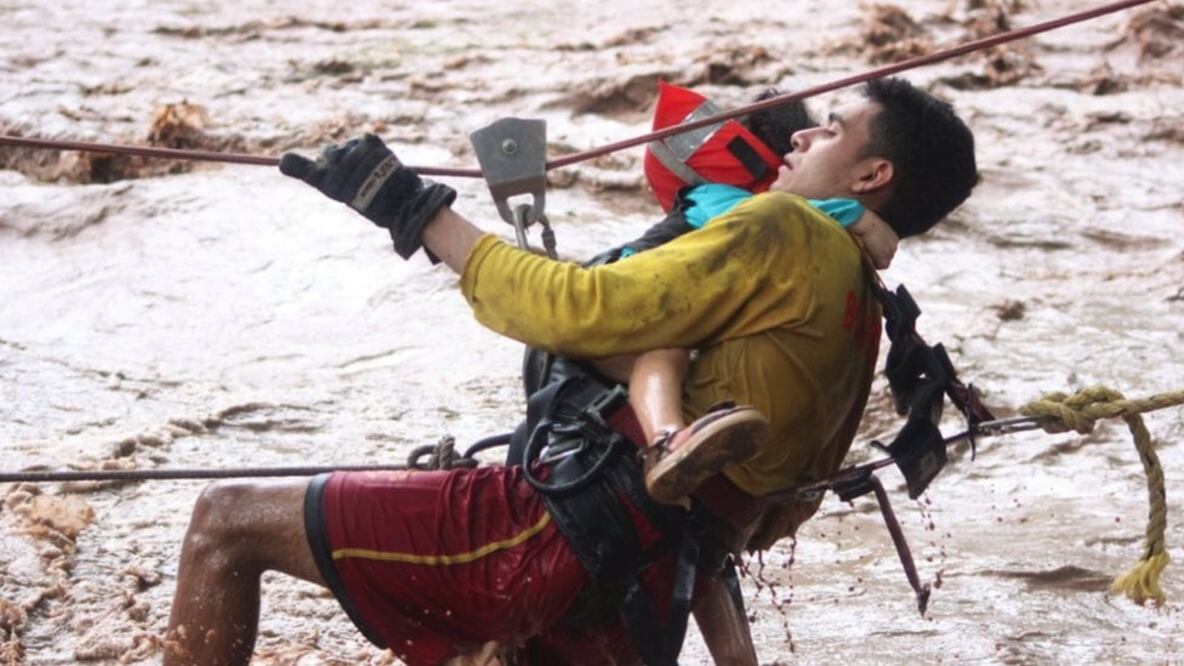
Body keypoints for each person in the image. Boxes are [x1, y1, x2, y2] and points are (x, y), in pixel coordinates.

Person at [163, 77, 977, 666]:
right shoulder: (865, 307)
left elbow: (569, 307)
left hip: (562, 532)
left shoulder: (784, 230)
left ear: (873, 177)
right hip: (647, 587)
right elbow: (775, 505)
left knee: (226, 523)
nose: (801, 138)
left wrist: (412, 208)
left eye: (830, 130)